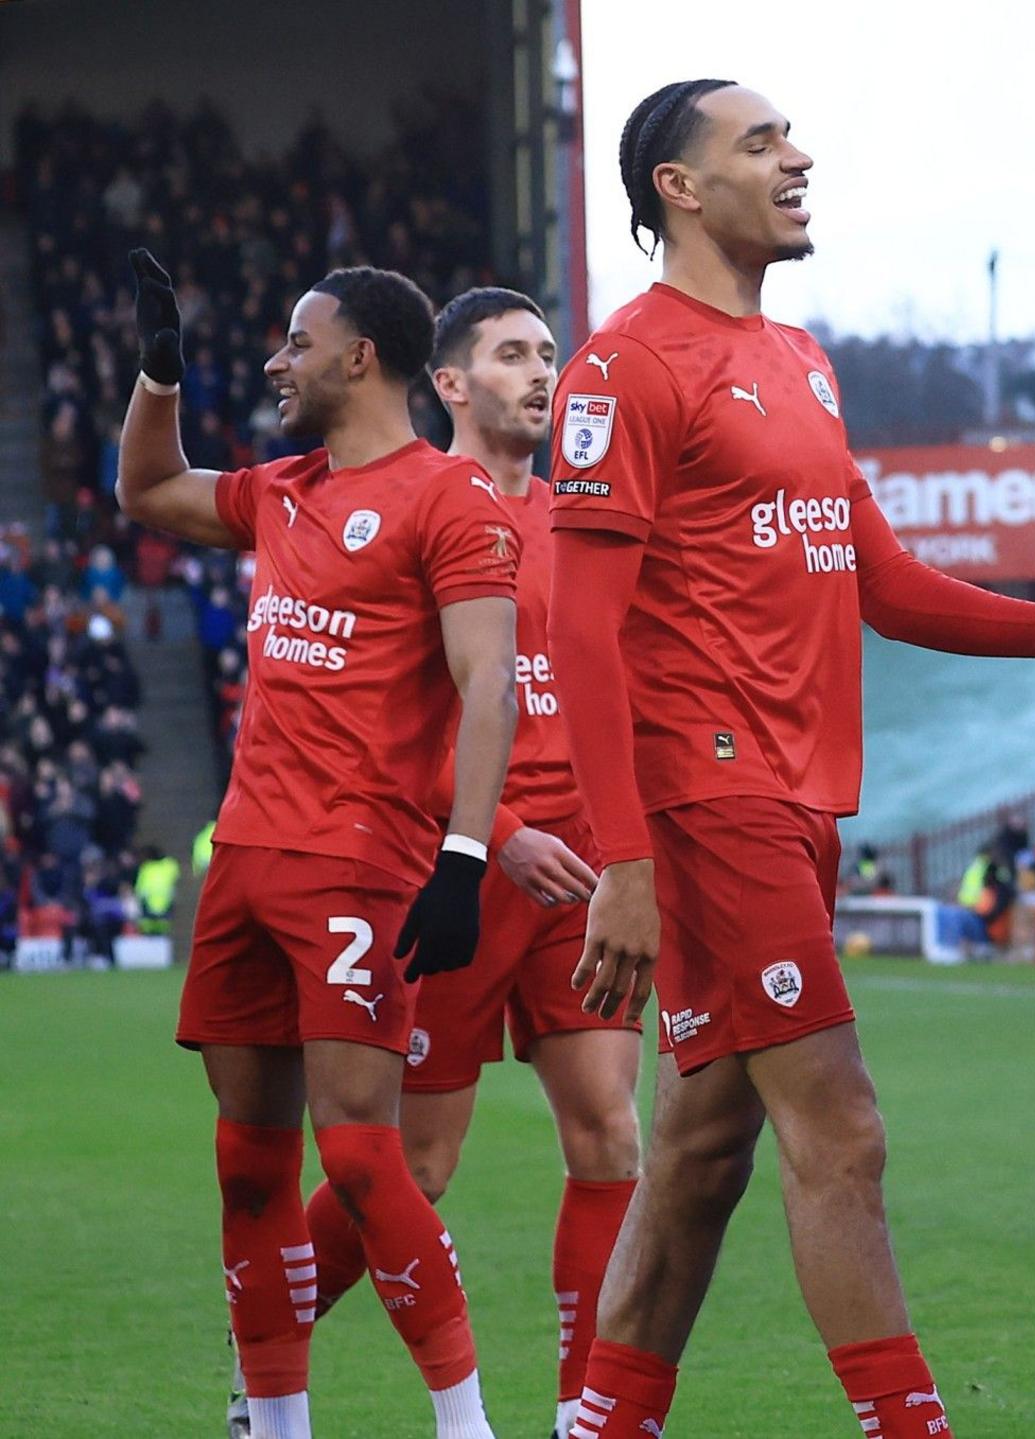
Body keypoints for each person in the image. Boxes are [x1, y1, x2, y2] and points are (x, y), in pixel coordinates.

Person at [550, 80, 1035, 1439]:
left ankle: (596, 1419)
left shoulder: (803, 360)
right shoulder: (626, 366)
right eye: (761, 141)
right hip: (709, 793)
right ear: (677, 185)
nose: (799, 156)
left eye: (792, 137)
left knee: (706, 1149)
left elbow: (879, 579)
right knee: (842, 1129)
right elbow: (581, 633)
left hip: (791, 794)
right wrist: (624, 856)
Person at [117, 251, 521, 1439]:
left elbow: (488, 681)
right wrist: (157, 374)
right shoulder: (280, 490)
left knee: (356, 1156)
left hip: (360, 861)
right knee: (247, 1165)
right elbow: (148, 491)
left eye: (296, 341)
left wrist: (462, 857)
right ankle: (279, 1423)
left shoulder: (449, 500)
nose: (274, 360)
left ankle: (465, 1421)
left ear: (360, 355)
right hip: (244, 859)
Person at [276, 287, 643, 1439]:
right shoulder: (417, 505)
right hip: (462, 872)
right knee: (414, 1166)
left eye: (549, 353)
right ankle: (265, 1347)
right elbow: (376, 714)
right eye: (510, 355)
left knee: (609, 1132)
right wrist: (492, 834)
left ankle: (587, 1413)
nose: (542, 374)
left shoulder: (589, 519)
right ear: (447, 383)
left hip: (580, 875)